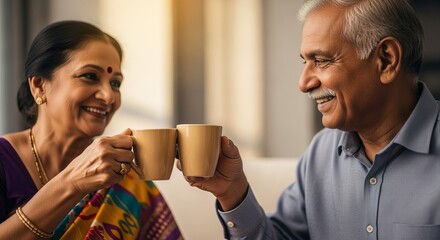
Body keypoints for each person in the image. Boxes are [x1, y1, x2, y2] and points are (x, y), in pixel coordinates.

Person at [182, 0, 440, 239]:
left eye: (322, 60)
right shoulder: (321, 152)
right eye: (305, 62)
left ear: (386, 60)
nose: (304, 83)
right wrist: (232, 192)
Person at [0, 21, 183, 239]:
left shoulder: (121, 174)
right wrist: (72, 183)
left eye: (115, 83)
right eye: (90, 76)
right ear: (39, 85)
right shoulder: (4, 161)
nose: (108, 96)